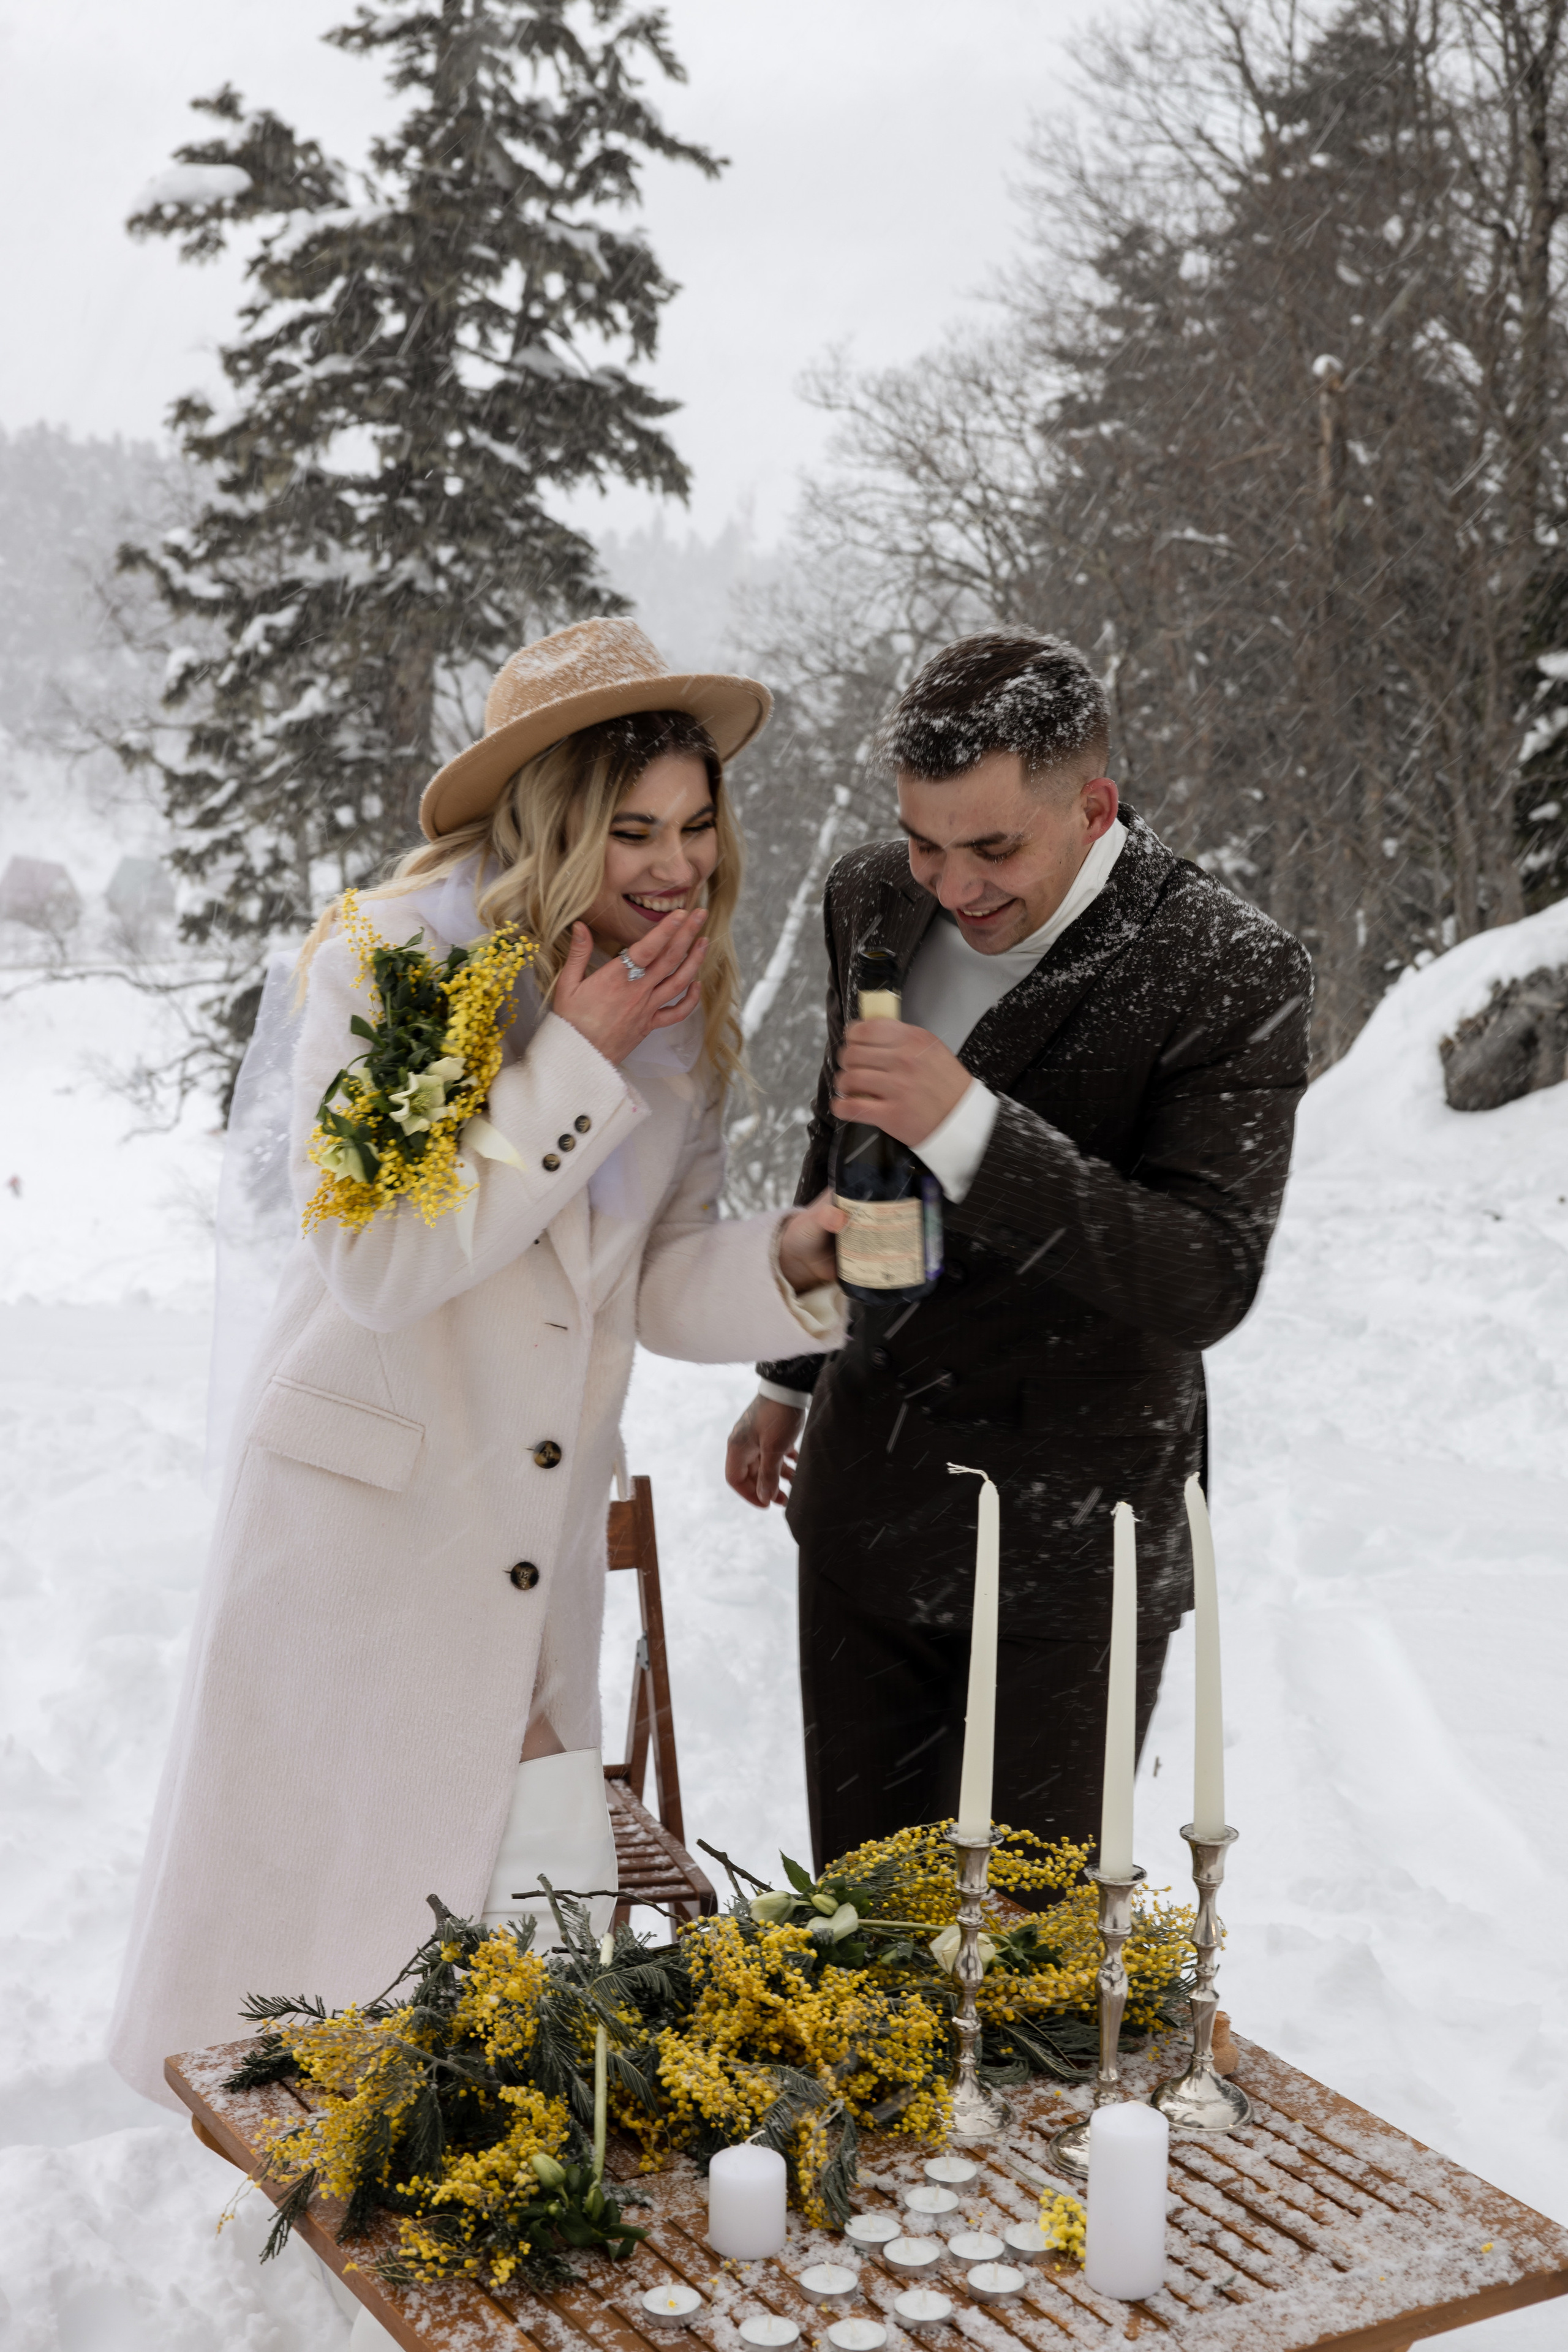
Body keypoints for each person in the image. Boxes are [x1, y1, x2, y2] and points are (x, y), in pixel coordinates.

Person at [110, 617, 846, 2106]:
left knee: (521, 1963)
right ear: (551, 818)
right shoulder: (383, 963)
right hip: (362, 1526)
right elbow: (377, 1261)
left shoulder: (678, 1016)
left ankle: (481, 2228)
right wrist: (569, 1054)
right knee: (311, 1962)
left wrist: (799, 1264)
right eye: (632, 827)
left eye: (698, 826)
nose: (675, 864)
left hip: (529, 1538)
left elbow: (660, 1283)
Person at [725, 630, 1311, 1875]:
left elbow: (1203, 1273)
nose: (948, 884)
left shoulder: (1226, 966)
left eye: (992, 848)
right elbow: (847, 1141)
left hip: (1073, 1556)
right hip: (865, 1504)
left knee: (1024, 1981)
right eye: (924, 840)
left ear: (1092, 804)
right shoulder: (864, 895)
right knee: (863, 1935)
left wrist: (973, 1129)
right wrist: (788, 1375)